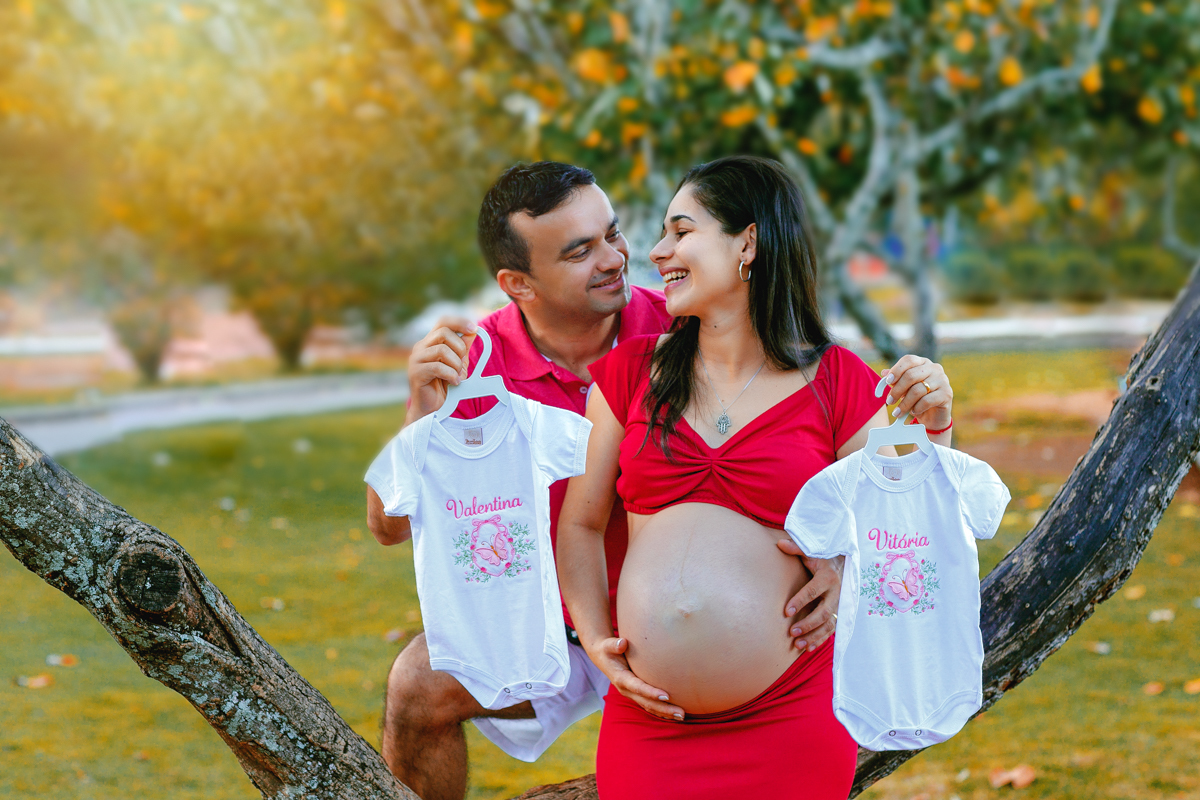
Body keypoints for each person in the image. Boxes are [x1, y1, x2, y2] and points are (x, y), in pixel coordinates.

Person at [365, 160, 850, 800]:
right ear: (519, 284)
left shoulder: (687, 326)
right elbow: (390, 529)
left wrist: (842, 564)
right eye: (579, 252)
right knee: (415, 687)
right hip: (555, 628)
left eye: (612, 233)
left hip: (709, 637)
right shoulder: (474, 366)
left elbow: (823, 436)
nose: (617, 258)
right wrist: (421, 413)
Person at [557, 155, 957, 799]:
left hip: (791, 714)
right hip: (650, 722)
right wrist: (596, 637)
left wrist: (933, 425)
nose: (657, 252)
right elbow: (579, 523)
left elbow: (906, 531)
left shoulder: (838, 382)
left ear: (748, 241)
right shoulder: (629, 374)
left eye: (681, 231)